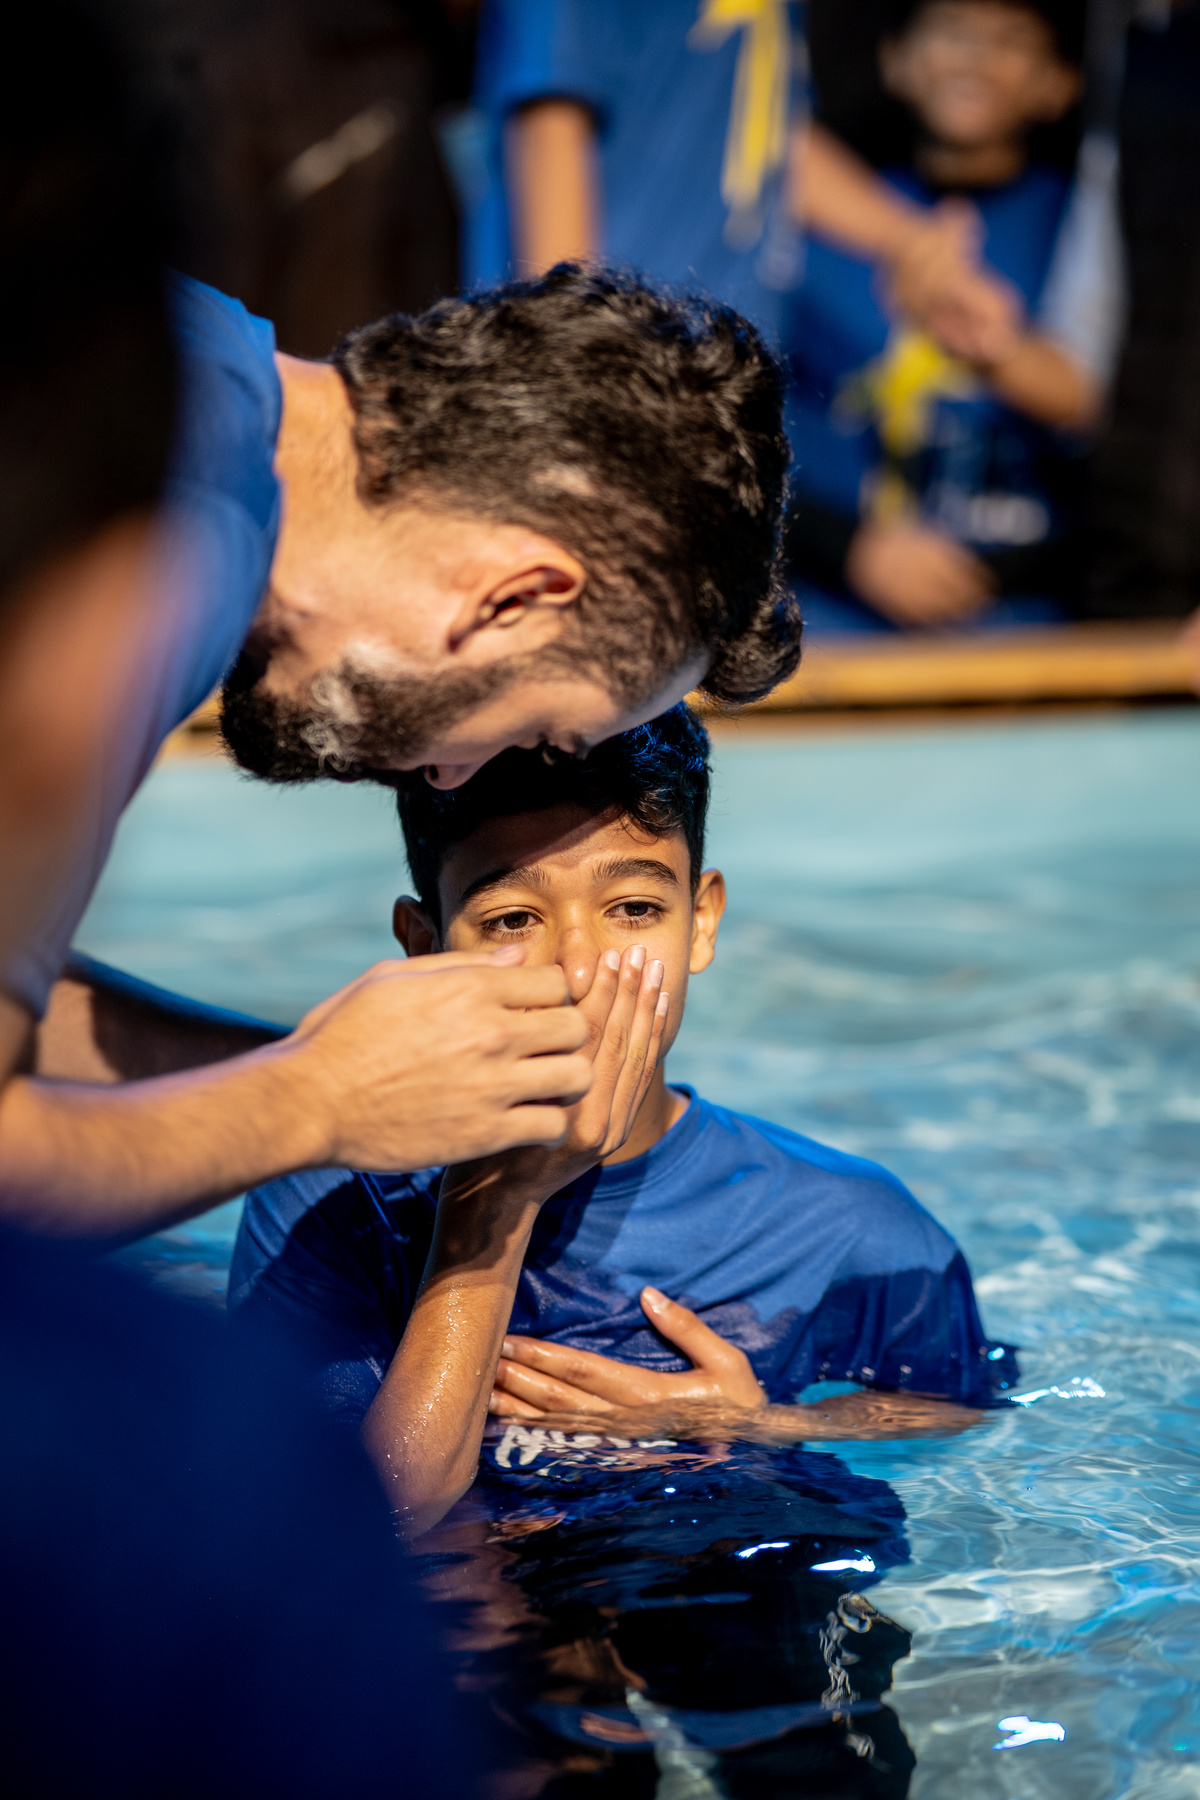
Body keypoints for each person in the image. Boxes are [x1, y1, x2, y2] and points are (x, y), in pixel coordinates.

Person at [1, 255, 799, 1240]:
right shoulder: (158, 540)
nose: (453, 774)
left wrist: (376, 1081)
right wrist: (315, 1105)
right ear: (516, 596)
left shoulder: (177, 352)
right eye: (539, 733)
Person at [228, 705, 1018, 1537]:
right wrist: (494, 1208)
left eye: (634, 909)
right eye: (512, 920)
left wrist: (762, 1424)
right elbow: (353, 1521)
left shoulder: (848, 1223)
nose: (579, 967)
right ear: (425, 946)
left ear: (700, 922)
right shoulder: (338, 1199)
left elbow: (957, 1405)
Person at [783, 0, 1126, 632]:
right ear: (895, 59)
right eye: (952, 31)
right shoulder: (823, 220)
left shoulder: (1083, 229)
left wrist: (991, 343)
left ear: (1061, 84)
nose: (977, 58)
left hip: (1027, 626)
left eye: (1012, 40)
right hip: (829, 623)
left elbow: (1112, 413)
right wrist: (850, 547)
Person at [469, 0, 1023, 375]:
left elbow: (763, 134)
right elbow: (549, 123)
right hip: (610, 367)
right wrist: (570, 364)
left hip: (713, 377)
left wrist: (910, 241)